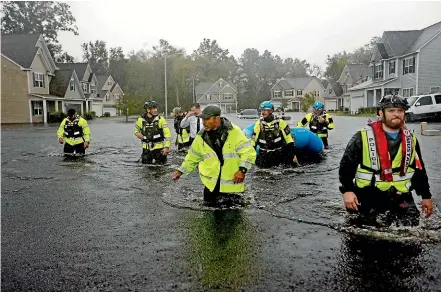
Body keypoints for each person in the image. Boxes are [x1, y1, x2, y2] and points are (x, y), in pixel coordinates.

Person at [339, 94, 433, 227]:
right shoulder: (362, 137)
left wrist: (426, 196)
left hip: (401, 194)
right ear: (380, 113)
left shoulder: (411, 139)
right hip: (369, 194)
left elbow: (419, 170)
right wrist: (347, 191)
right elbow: (346, 166)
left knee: (411, 225)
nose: (396, 114)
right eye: (391, 111)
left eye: (400, 111)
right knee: (364, 230)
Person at [172, 105, 256, 207]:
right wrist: (180, 171)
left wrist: (242, 170)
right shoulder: (201, 136)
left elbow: (248, 152)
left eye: (207, 119)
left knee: (233, 219)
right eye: (203, 119)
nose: (204, 122)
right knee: (208, 217)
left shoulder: (234, 132)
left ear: (217, 118)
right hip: (211, 186)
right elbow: (192, 157)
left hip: (232, 186)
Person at [251, 101, 298, 168]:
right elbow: (253, 141)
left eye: (265, 110)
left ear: (271, 111)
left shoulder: (280, 122)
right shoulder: (258, 124)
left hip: (278, 153)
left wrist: (292, 155)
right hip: (264, 154)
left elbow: (289, 139)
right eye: (262, 110)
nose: (263, 112)